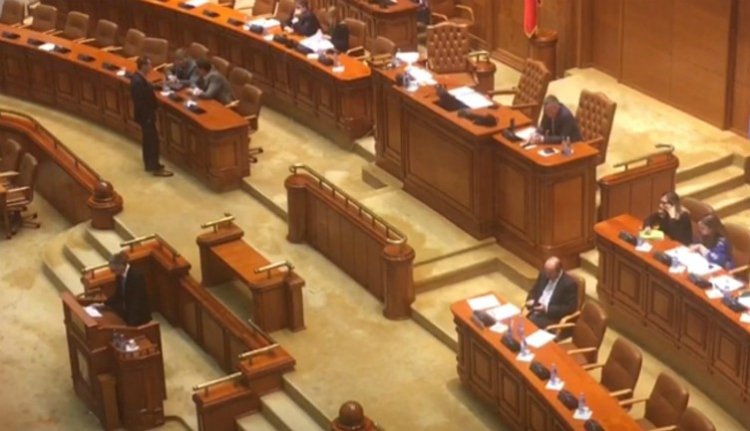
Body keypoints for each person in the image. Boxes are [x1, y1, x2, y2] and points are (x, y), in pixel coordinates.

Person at [130, 56, 173, 177]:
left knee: (150, 140)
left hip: (147, 115)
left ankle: (151, 164)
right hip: (146, 116)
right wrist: (148, 117)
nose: (151, 67)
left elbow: (146, 89)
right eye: (149, 65)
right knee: (151, 142)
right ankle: (153, 167)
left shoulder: (139, 78)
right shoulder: (137, 81)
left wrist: (155, 86)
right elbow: (140, 102)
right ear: (143, 66)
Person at [525, 257, 578, 329]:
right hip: (536, 309)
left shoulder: (569, 284)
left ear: (558, 271)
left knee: (528, 325)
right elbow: (534, 290)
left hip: (552, 317)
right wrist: (531, 299)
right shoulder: (544, 274)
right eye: (546, 272)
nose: (547, 275)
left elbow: (570, 308)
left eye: (550, 273)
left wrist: (547, 309)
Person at [104, 251, 152, 326]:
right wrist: (104, 303)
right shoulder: (119, 276)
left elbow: (137, 301)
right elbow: (118, 295)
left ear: (120, 266)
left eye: (113, 270)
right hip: (127, 314)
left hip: (139, 318)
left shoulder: (136, 276)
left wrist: (131, 322)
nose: (112, 273)